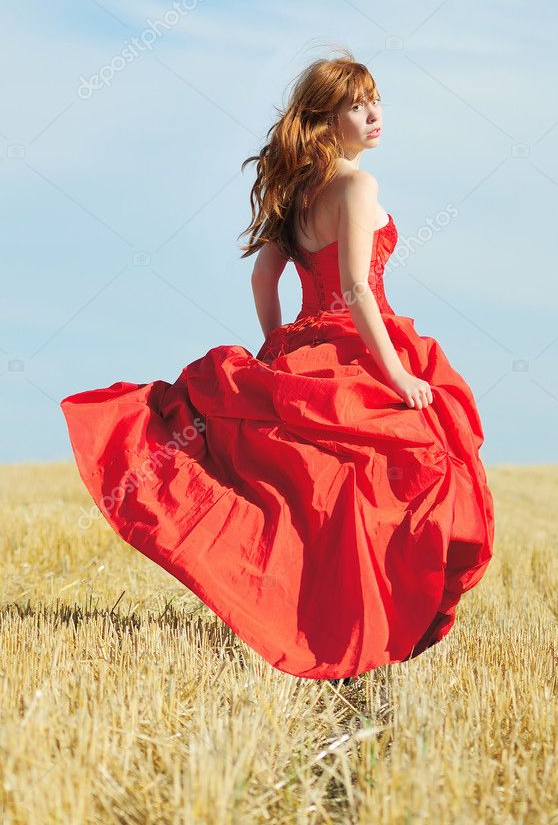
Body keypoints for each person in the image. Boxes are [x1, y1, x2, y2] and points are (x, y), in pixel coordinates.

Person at [60, 49, 495, 681]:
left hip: (304, 348)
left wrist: (280, 349)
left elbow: (265, 279)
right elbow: (355, 289)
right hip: (361, 343)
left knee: (325, 492)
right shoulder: (355, 184)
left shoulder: (299, 193)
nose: (374, 114)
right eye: (357, 104)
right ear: (327, 118)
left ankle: (333, 617)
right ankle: (368, 623)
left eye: (376, 100)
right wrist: (397, 374)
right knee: (415, 476)